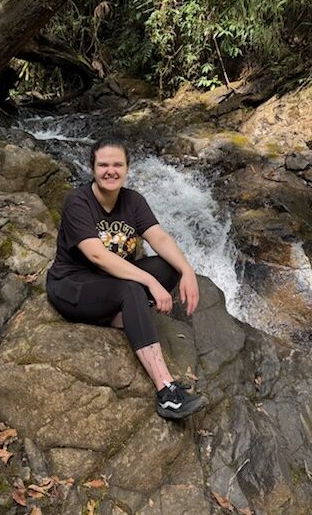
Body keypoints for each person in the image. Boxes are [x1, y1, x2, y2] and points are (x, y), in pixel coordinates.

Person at [46, 137, 208, 419]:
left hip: (112, 283)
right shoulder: (77, 202)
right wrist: (149, 281)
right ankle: (166, 392)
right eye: (104, 165)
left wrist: (187, 270)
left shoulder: (133, 200)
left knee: (168, 267)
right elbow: (97, 255)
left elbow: (158, 237)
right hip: (73, 287)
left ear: (127, 168)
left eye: (117, 164)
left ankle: (118, 317)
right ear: (92, 169)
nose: (111, 171)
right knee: (132, 289)